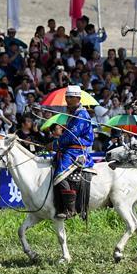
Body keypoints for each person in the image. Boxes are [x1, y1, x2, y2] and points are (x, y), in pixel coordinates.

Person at [52, 85, 94, 220]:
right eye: (66, 97)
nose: (67, 100)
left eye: (70, 97)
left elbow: (71, 136)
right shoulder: (73, 114)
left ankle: (70, 209)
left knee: (60, 173)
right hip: (70, 148)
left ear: (77, 98)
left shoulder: (81, 114)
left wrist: (55, 144)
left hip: (76, 150)